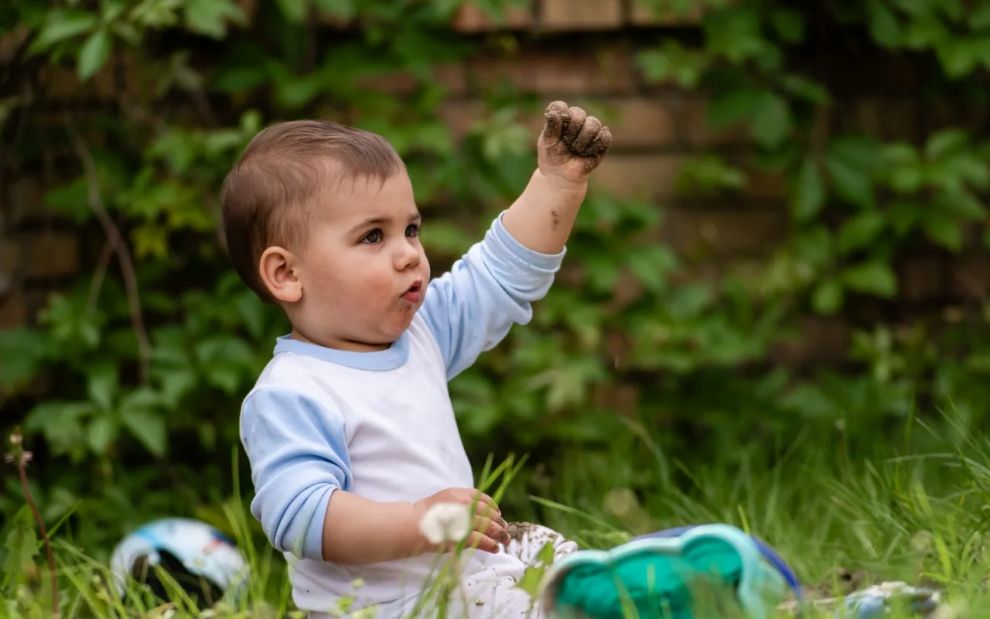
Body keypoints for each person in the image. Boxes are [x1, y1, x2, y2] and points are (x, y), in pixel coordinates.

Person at [220, 100, 612, 618]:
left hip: (461, 587)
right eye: (373, 236)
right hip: (387, 608)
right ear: (287, 275)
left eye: (411, 229)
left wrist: (557, 184)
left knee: (571, 573)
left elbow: (498, 278)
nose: (409, 253)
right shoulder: (293, 391)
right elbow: (302, 516)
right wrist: (421, 522)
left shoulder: (420, 332)